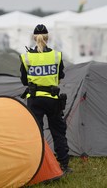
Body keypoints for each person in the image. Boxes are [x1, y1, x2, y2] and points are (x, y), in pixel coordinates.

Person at [19, 24, 71, 174]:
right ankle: (63, 165)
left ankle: (38, 166)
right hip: (53, 98)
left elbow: (24, 80)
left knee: (36, 133)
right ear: (47, 38)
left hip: (34, 99)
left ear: (34, 38)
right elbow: (60, 76)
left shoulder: (26, 57)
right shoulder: (57, 55)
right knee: (58, 132)